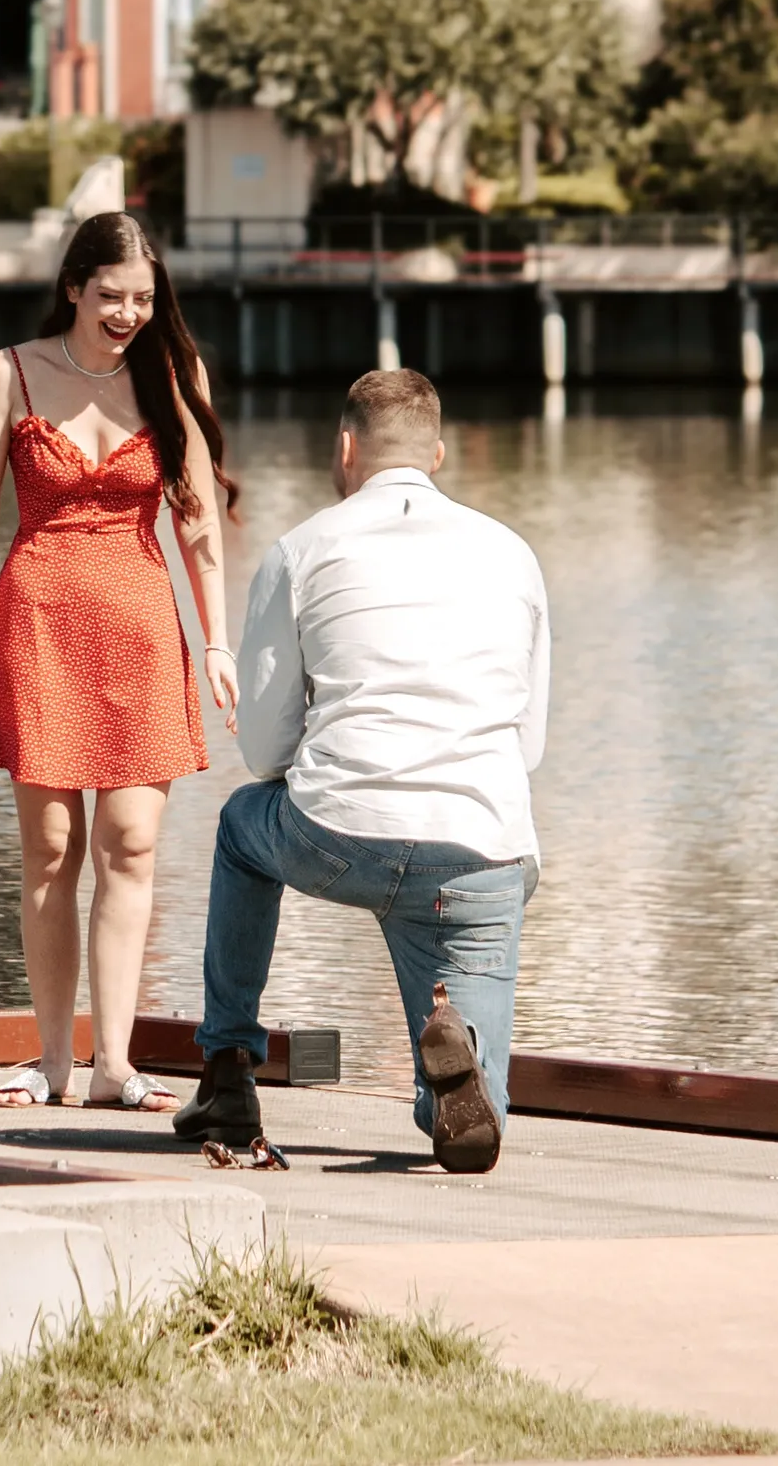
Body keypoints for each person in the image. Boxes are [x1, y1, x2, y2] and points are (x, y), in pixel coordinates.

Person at [173, 367, 549, 1173]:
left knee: (243, 824)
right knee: (474, 1084)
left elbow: (266, 752)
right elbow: (527, 747)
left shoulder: (302, 549)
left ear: (344, 448)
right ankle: (453, 1083)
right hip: (478, 850)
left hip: (339, 835)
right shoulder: (512, 555)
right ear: (438, 454)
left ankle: (228, 1070)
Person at [0, 209, 239, 1114]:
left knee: (132, 842)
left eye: (143, 299)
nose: (127, 314)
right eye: (111, 296)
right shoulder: (11, 374)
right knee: (49, 849)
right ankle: (50, 1062)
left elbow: (196, 520)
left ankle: (113, 1064)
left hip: (141, 625)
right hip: (35, 621)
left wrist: (219, 637)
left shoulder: (172, 372)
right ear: (72, 288)